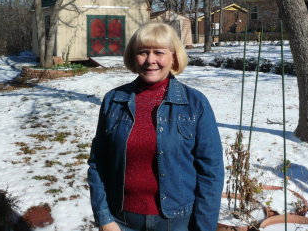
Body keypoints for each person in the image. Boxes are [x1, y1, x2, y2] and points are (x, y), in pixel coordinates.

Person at [88, 22, 223, 231]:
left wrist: (203, 227)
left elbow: (210, 172)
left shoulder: (195, 104)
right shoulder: (114, 101)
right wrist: (105, 218)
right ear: (134, 56)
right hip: (122, 221)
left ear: (174, 57)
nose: (150, 60)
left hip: (176, 222)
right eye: (143, 52)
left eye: (159, 52)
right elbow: (98, 163)